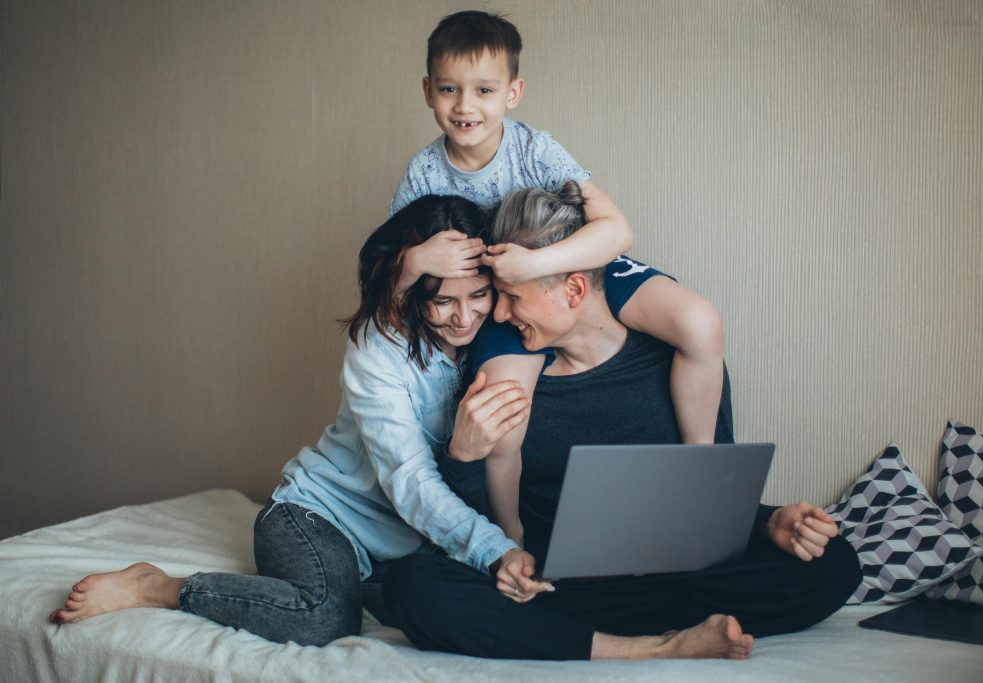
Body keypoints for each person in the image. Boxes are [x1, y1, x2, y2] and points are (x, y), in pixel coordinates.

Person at [382, 182, 863, 661]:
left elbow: (702, 496)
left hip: (677, 577)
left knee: (834, 563)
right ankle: (657, 646)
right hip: (558, 586)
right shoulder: (505, 373)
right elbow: (477, 524)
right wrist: (462, 456)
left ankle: (584, 637)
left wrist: (768, 523)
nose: (497, 314)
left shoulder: (677, 362)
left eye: (510, 296)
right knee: (412, 587)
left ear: (572, 289)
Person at [47, 195, 532, 646]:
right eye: (442, 301)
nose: (464, 317)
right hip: (317, 517)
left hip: (403, 546)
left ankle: (360, 584)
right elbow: (410, 480)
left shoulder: (492, 344)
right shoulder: (379, 349)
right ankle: (158, 586)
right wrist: (494, 548)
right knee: (324, 616)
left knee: (456, 605)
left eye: (478, 296)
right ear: (412, 296)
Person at [393, 9, 728, 546]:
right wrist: (417, 260)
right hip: (503, 299)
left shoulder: (536, 149)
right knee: (504, 416)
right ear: (428, 91)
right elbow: (392, 269)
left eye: (484, 89)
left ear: (513, 92)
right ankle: (511, 540)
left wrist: (536, 264)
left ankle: (699, 471)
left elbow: (617, 230)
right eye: (450, 89)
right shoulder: (422, 174)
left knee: (701, 324)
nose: (465, 105)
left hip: (571, 268)